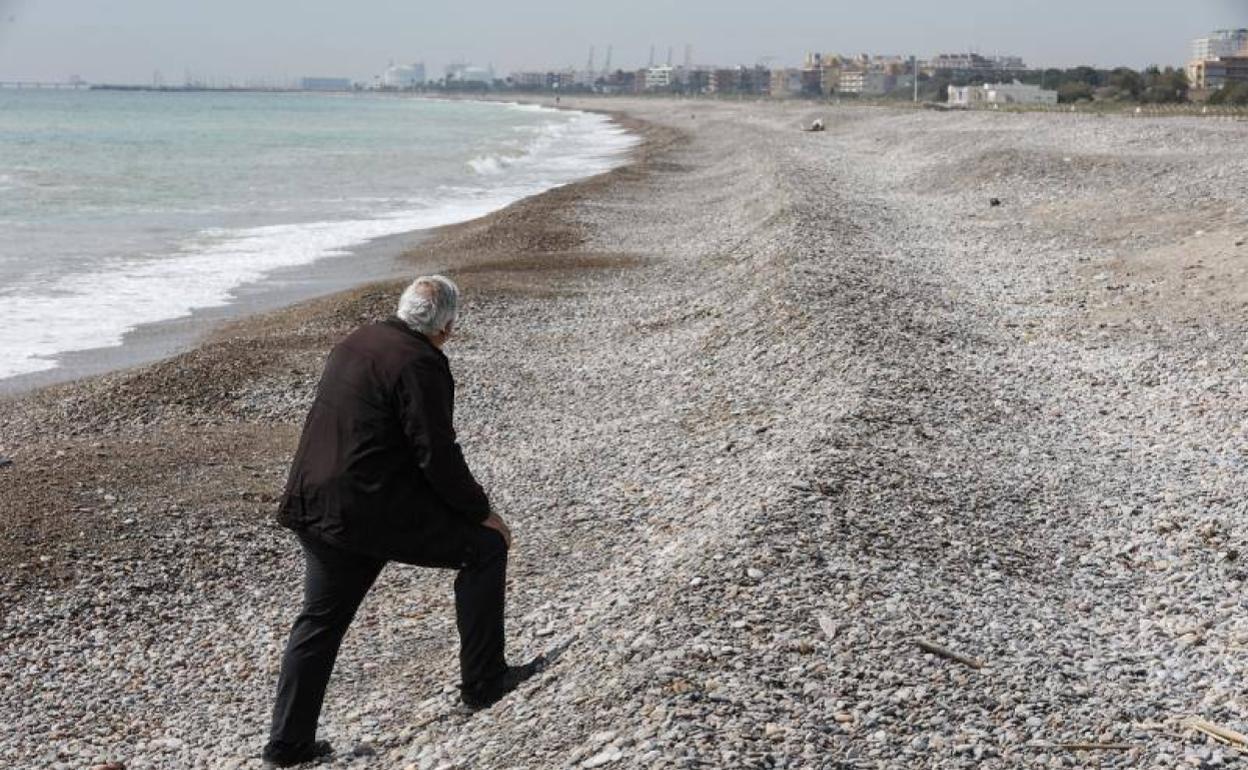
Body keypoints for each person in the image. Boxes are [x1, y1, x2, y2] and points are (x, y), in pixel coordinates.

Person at [262, 275, 539, 768]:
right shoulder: (421, 363)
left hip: (313, 497)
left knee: (320, 620)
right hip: (363, 509)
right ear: (447, 327)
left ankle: (287, 744)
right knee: (485, 547)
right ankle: (484, 683)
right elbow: (436, 453)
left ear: (402, 308)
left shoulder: (357, 339)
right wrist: (482, 512)